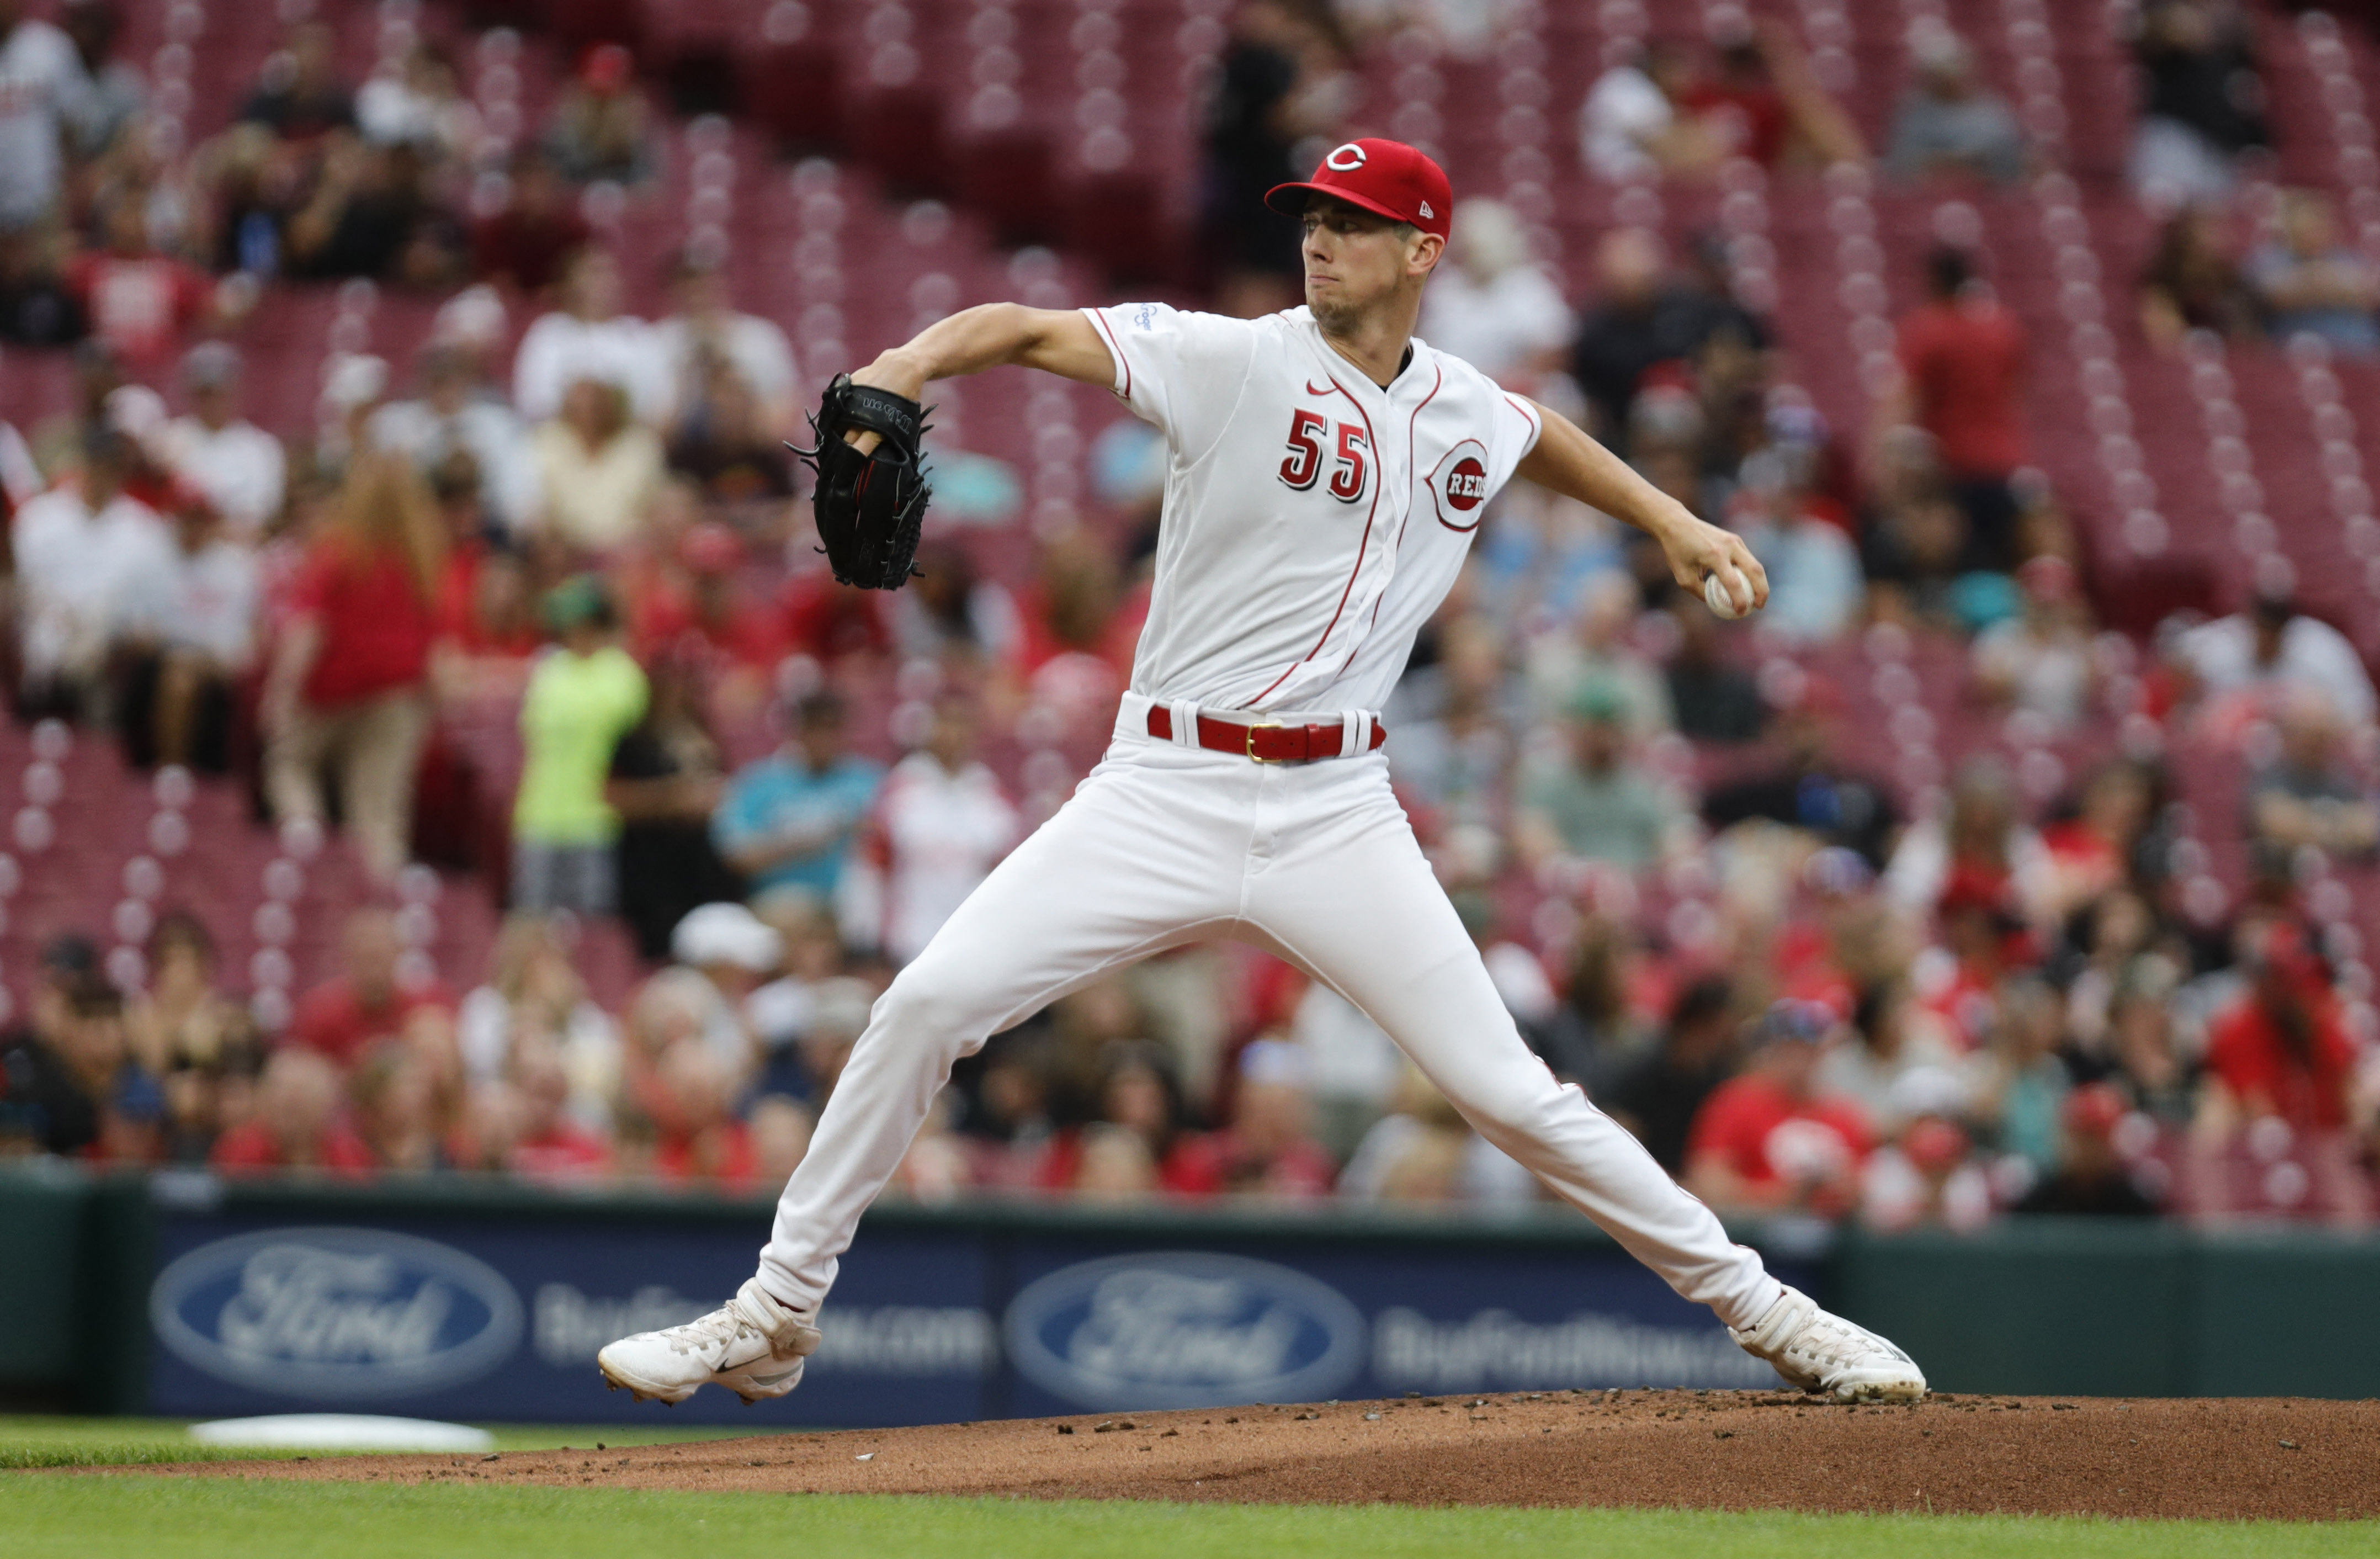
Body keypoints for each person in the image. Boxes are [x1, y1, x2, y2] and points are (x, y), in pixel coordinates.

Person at [597, 136, 1924, 1408]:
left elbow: (1535, 431)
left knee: (1513, 1094)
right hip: (1161, 786)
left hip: (1336, 808)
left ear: (1423, 250)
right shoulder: (1229, 360)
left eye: (1351, 224)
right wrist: (907, 357)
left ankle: (1772, 1312)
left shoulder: (1462, 402)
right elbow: (1025, 324)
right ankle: (776, 1312)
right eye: (1311, 219)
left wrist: (1674, 519)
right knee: (927, 1001)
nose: (1320, 241)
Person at [260, 455, 444, 882]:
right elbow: (434, 645)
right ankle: (381, 894)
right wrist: (431, 709)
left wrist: (280, 693)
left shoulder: (337, 552)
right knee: (379, 811)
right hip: (395, 696)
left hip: (329, 689)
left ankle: (304, 841)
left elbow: (308, 630)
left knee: (289, 763)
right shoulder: (420, 560)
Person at [512, 578, 649, 915]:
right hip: (539, 814)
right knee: (532, 920)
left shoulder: (623, 675)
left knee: (593, 923)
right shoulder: (549, 670)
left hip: (596, 819)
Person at [1883, 248, 2026, 571]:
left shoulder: (1931, 328)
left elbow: (1902, 397)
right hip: (2002, 463)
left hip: (1952, 465)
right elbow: (2016, 391)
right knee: (1997, 561)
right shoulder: (2004, 328)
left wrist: (1876, 457)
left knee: (1956, 563)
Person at [111, 480, 259, 772]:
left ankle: (178, 765)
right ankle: (171, 765)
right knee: (178, 674)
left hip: (217, 662)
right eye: (186, 518)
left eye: (200, 519)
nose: (193, 527)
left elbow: (246, 641)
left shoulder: (236, 568)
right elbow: (129, 626)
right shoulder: (148, 561)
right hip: (157, 661)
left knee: (185, 672)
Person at [861, 694, 1019, 966]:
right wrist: (868, 934)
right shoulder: (900, 790)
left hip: (972, 938)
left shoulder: (992, 796)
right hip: (907, 939)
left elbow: (1011, 870)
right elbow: (872, 865)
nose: (953, 734)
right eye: (946, 724)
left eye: (961, 725)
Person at [608, 645, 742, 963]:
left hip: (701, 860)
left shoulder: (705, 736)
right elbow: (612, 797)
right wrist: (671, 797)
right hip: (652, 864)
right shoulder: (633, 740)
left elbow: (725, 786)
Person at [1684, 1000, 1872, 1217]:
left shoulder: (1843, 1114)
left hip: (1834, 1240)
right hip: (1756, 1236)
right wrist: (1781, 1196)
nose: (1798, 1058)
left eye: (1807, 1048)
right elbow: (1709, 1180)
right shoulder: (1736, 1103)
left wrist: (1843, 1192)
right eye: (1788, 1048)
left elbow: (1867, 1185)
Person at [713, 689, 884, 921]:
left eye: (831, 729)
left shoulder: (872, 782)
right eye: (814, 728)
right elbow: (737, 856)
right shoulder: (759, 782)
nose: (823, 739)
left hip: (856, 896)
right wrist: (809, 840)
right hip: (784, 897)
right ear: (797, 732)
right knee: (792, 916)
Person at [2129, 0, 2266, 204]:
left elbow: (2249, 34)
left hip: (2219, 147)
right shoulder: (2170, 27)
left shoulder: (2227, 49)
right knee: (2164, 209)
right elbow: (2157, 32)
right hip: (2175, 140)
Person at [288, 907, 453, 1070]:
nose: (373, 969)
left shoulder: (425, 1007)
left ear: (398, 954)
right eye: (365, 958)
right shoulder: (321, 1011)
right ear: (348, 956)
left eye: (379, 957)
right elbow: (304, 1070)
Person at [157, 343, 286, 542]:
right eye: (204, 392)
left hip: (235, 557)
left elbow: (256, 524)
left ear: (234, 390)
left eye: (219, 391)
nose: (212, 401)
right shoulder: (169, 439)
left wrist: (206, 532)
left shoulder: (260, 448)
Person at [1884, 27, 2025, 187]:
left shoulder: (1992, 106)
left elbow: (2010, 155)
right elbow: (1906, 161)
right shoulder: (1914, 110)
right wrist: (1960, 162)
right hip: (1932, 195)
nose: (1953, 79)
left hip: (1988, 192)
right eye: (1944, 74)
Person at [0, 0, 94, 232]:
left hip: (41, 202)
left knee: (46, 268)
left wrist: (72, 186)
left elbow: (76, 123)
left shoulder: (51, 48)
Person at [2248, 190, 2379, 356]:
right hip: (2293, 351)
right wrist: (2333, 286)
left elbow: (2369, 295)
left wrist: (2312, 285)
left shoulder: (2350, 258)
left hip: (2356, 350)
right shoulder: (2269, 259)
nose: (2315, 230)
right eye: (2306, 224)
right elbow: (2271, 296)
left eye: (2320, 223)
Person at [2137, 206, 2256, 352]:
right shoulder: (2162, 288)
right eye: (2209, 232)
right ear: (2186, 240)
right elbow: (2166, 344)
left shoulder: (2234, 284)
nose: (2219, 238)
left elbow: (2248, 346)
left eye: (2219, 231)